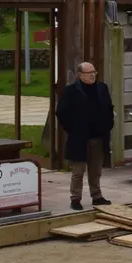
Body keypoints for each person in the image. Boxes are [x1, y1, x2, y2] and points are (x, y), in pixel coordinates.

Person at [56, 62, 114, 211]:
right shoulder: (71, 91)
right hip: (79, 139)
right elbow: (61, 112)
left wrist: (108, 124)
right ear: (80, 75)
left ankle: (97, 196)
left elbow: (109, 108)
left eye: (94, 72)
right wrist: (72, 128)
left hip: (98, 138)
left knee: (96, 171)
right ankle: (75, 198)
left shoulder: (102, 88)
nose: (93, 75)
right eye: (89, 73)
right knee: (78, 172)